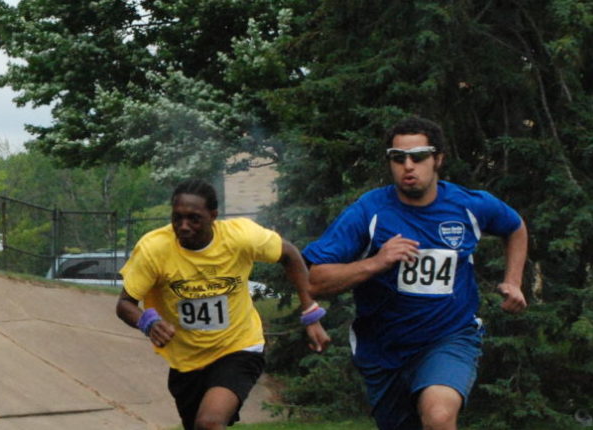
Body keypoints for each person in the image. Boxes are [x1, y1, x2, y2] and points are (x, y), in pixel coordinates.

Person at [303, 116, 528, 430]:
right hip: (383, 349)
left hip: (450, 337)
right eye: (398, 158)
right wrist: (377, 262)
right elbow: (316, 280)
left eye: (419, 156)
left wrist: (513, 281)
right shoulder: (369, 211)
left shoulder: (468, 206)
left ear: (438, 160)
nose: (408, 166)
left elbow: (515, 227)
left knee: (439, 416)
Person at [115, 179, 331, 430]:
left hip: (238, 346)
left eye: (194, 219)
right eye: (177, 218)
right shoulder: (154, 249)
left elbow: (290, 254)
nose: (184, 226)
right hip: (187, 360)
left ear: (213, 216)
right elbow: (125, 303)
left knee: (209, 423)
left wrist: (310, 313)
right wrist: (148, 323)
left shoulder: (240, 237)